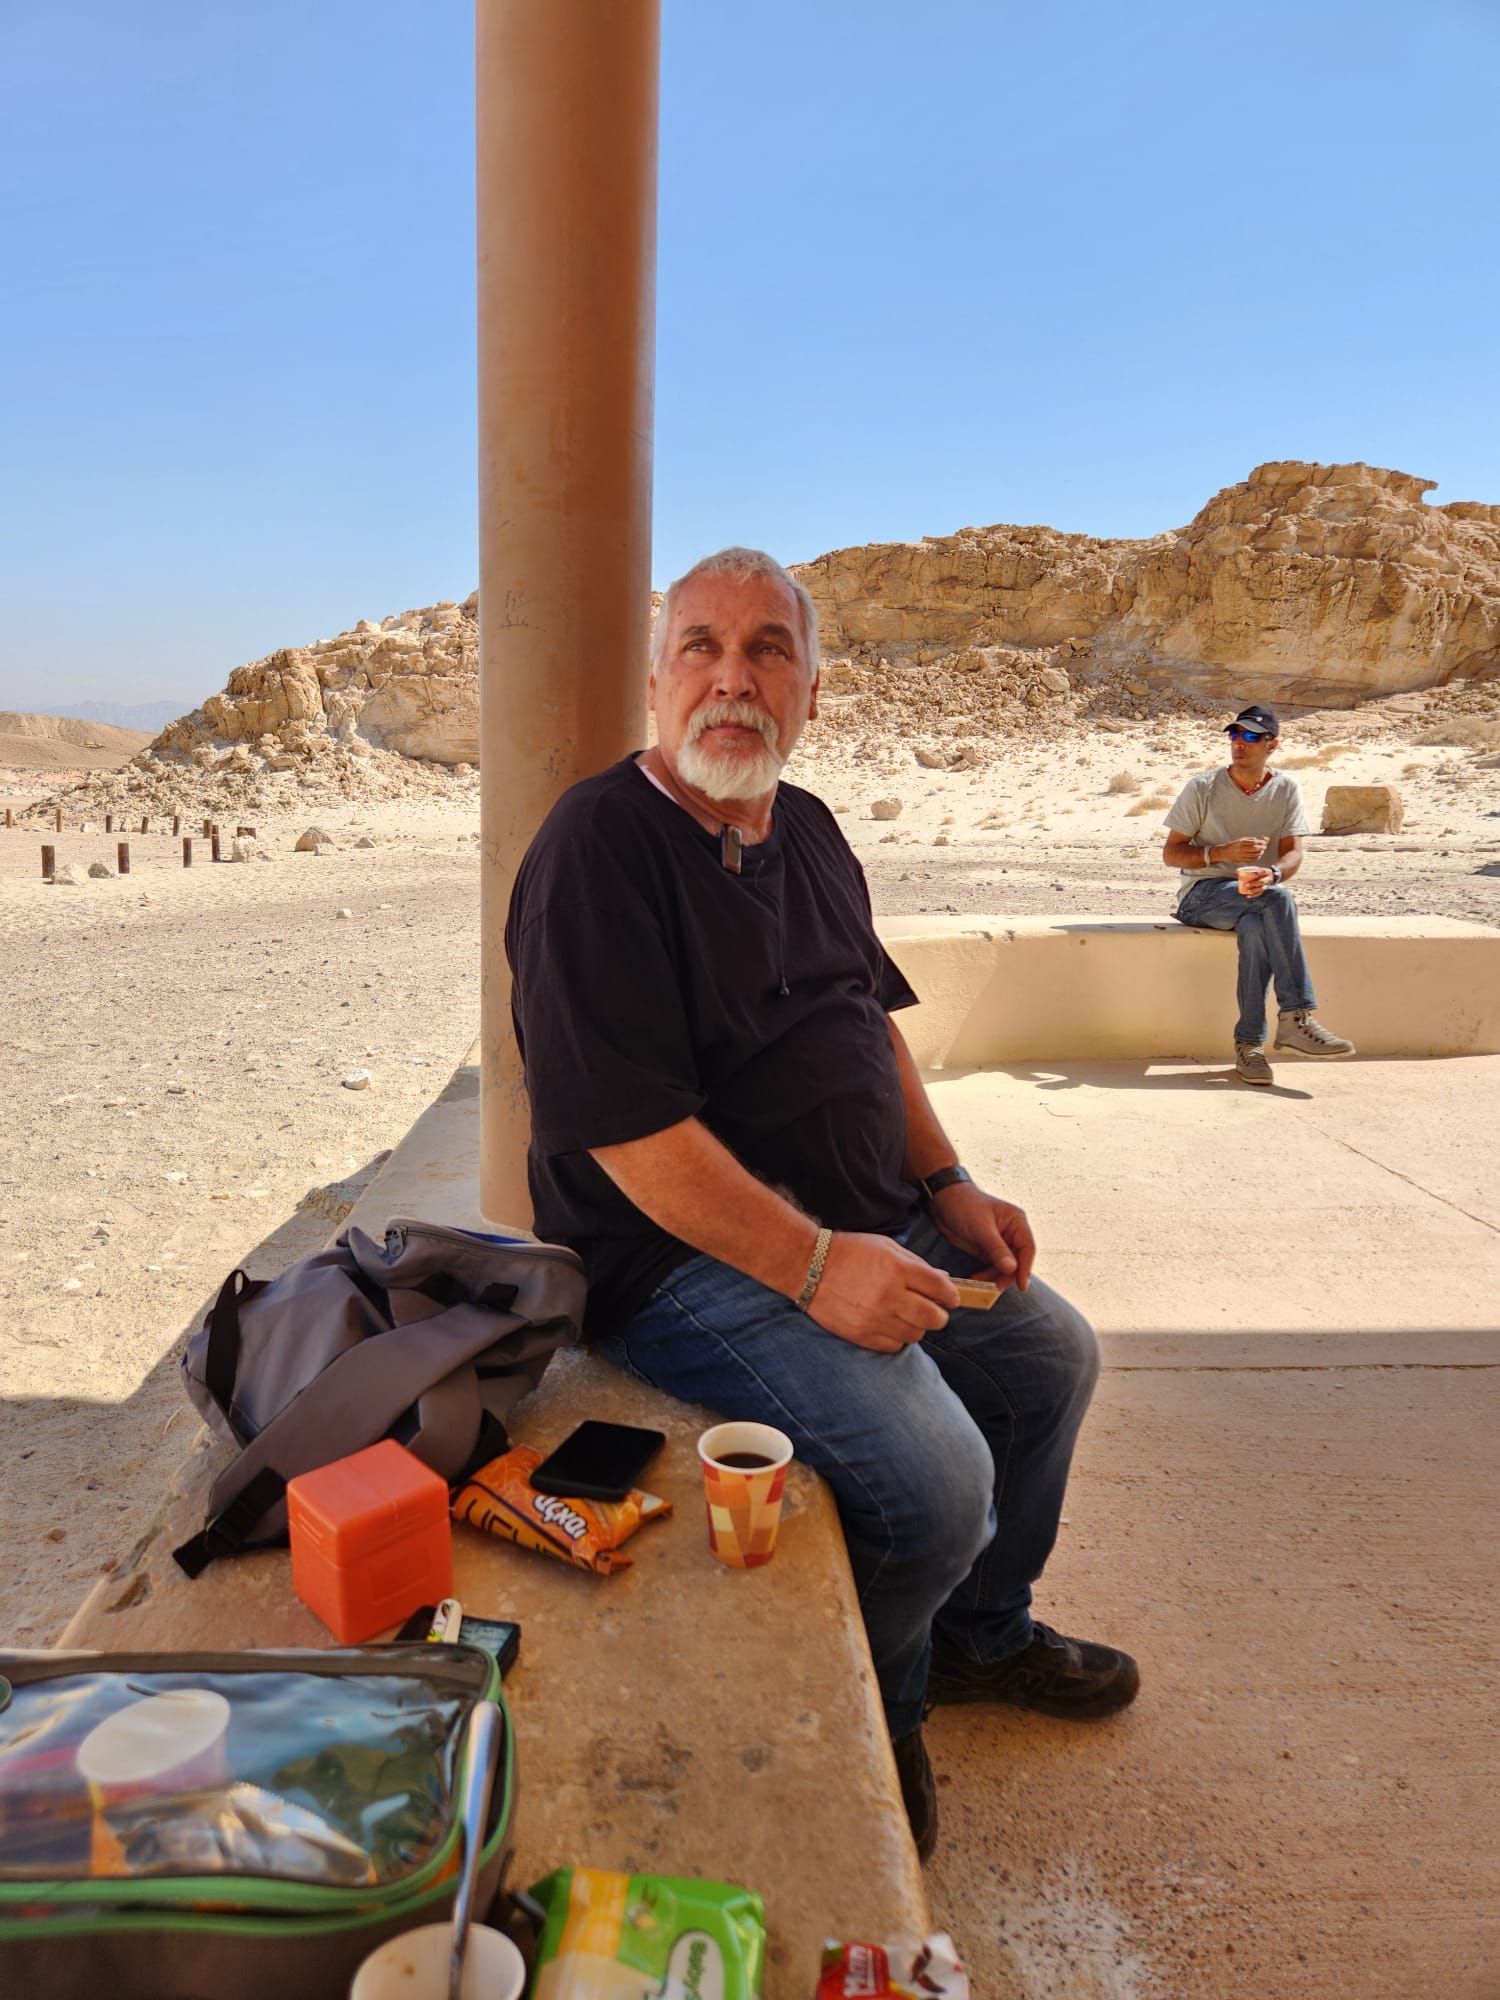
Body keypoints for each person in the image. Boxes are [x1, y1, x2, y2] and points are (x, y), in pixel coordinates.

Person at [505, 546, 1138, 1861]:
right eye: (701, 647)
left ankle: (981, 1637)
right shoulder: (596, 847)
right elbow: (627, 1136)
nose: (732, 679)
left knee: (1052, 1359)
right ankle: (885, 1708)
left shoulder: (809, 826)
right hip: (685, 1263)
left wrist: (946, 1182)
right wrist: (810, 1266)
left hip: (865, 1217)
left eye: (769, 650)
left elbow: (870, 1022)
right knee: (936, 1485)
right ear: (657, 682)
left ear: (810, 694)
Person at [1163, 704, 1356, 1085]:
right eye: (1235, 734)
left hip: (1255, 898)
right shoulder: (1203, 787)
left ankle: (1249, 1047)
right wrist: (1221, 853)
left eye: (1251, 736)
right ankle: (1296, 1017)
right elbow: (1172, 853)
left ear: (1272, 745)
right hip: (1202, 897)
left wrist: (1273, 873)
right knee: (1279, 900)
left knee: (1257, 926)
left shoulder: (1285, 789)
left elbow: (1294, 853)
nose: (1240, 743)